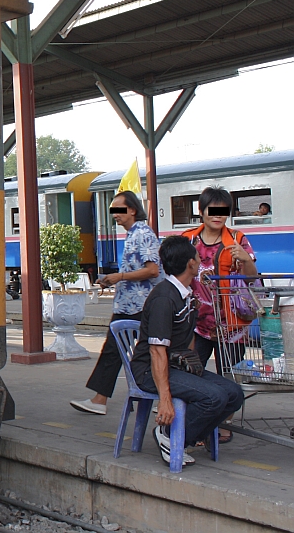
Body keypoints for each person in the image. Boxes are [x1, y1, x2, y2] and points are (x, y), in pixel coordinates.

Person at [131, 236, 244, 466]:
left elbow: (186, 338)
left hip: (176, 366)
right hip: (150, 371)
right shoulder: (165, 297)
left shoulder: (186, 292)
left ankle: (186, 433)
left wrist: (194, 368)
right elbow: (156, 351)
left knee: (234, 394)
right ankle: (169, 436)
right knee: (214, 397)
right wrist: (164, 399)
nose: (200, 260)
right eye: (197, 257)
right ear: (190, 264)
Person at [71, 190, 161, 415]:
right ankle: (105, 399)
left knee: (120, 350)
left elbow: (152, 270)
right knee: (129, 351)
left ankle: (101, 400)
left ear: (132, 209)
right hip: (131, 304)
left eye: (119, 210)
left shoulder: (142, 233)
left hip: (139, 305)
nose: (115, 215)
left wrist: (118, 277)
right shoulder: (132, 234)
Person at [181, 186, 257, 444]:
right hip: (197, 325)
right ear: (201, 211)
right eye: (212, 210)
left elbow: (252, 278)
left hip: (231, 327)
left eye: (223, 210)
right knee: (194, 374)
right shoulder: (188, 239)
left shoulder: (237, 238)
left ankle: (223, 423)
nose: (218, 215)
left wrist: (245, 259)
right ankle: (198, 424)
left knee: (228, 377)